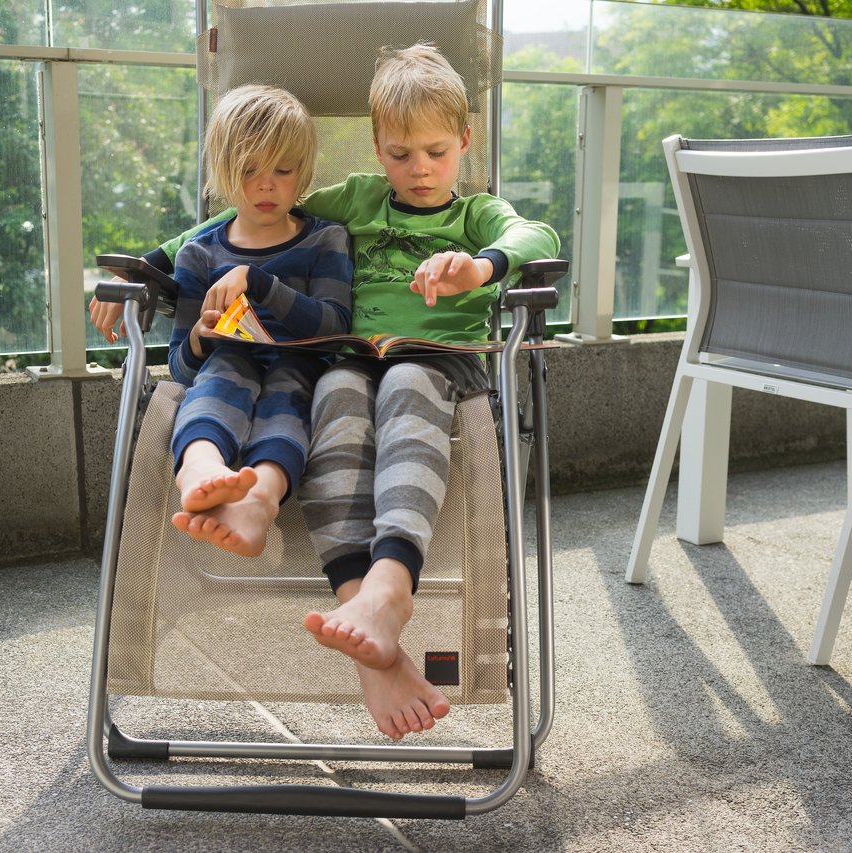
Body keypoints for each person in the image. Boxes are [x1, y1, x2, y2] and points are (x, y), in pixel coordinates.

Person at [91, 46, 558, 741]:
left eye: (436, 150)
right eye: (400, 153)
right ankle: (364, 618)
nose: (420, 168)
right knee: (335, 392)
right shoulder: (359, 198)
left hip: (437, 365)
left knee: (401, 379)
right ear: (377, 148)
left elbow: (537, 233)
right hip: (347, 359)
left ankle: (390, 584)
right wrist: (150, 264)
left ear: (466, 141)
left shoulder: (476, 216)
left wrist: (478, 265)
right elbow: (252, 222)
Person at [95, 83, 353, 559]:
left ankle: (259, 500)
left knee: (288, 394)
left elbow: (335, 328)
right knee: (218, 377)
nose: (265, 184)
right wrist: (198, 337)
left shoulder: (325, 240)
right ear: (221, 172)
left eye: (283, 169)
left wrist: (258, 282)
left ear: (305, 173)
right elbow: (181, 369)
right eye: (248, 169)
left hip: (301, 362)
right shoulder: (200, 253)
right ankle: (199, 467)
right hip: (228, 361)